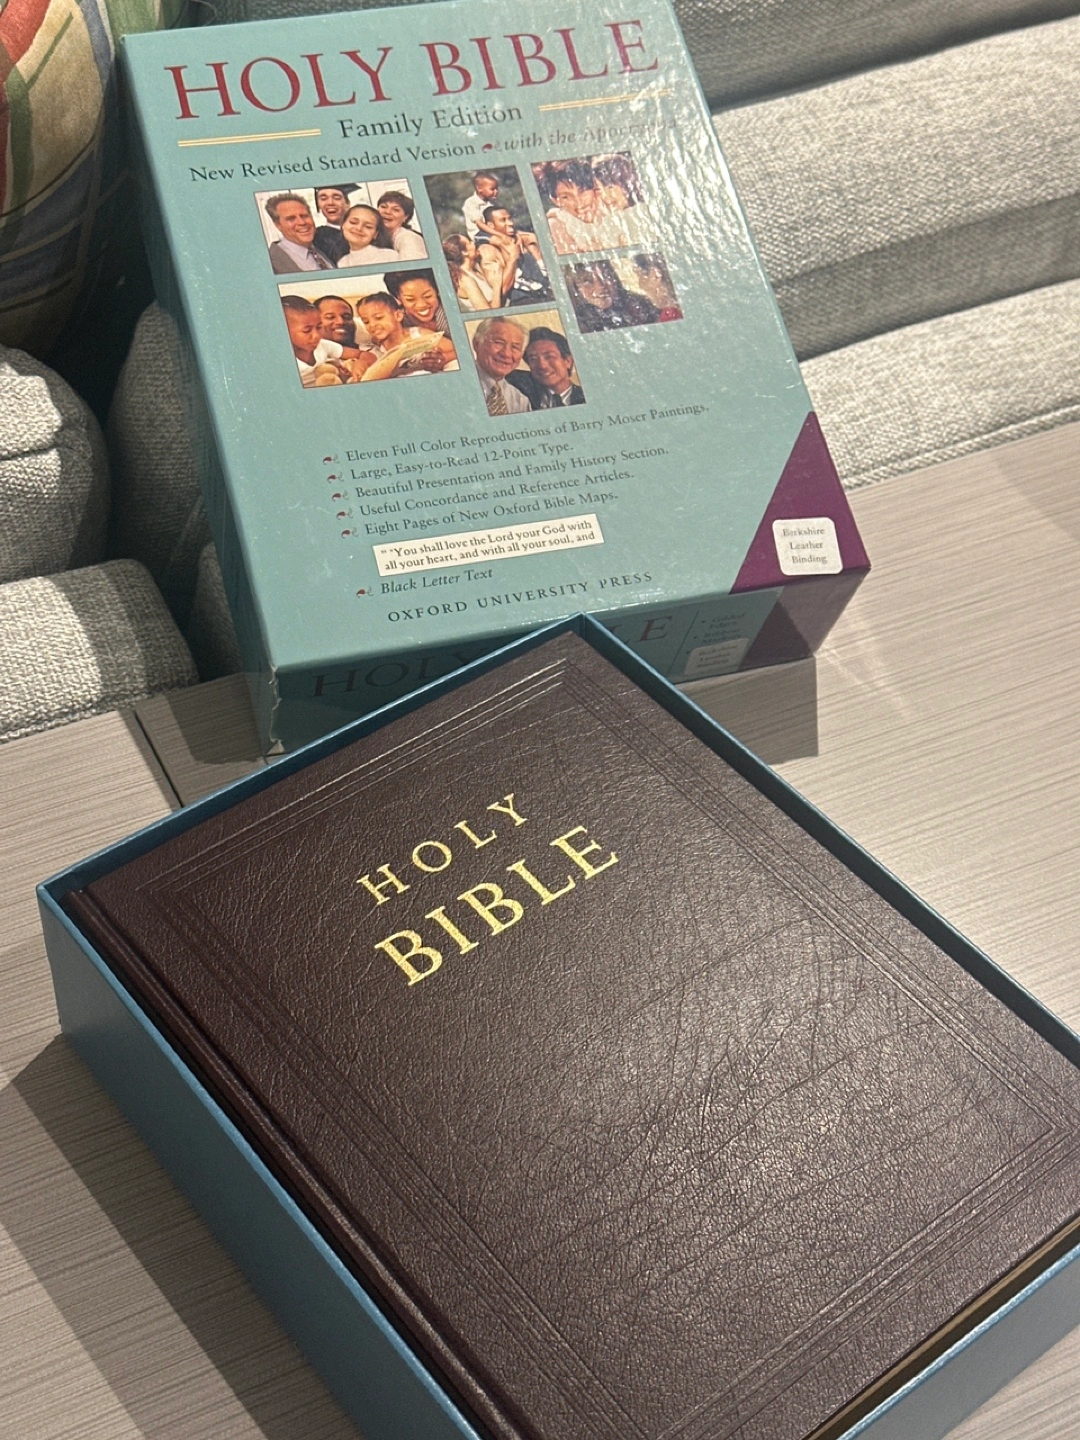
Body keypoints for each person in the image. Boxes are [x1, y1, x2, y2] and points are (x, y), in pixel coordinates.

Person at [534, 160, 633, 255]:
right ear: (556, 201)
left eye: (582, 192)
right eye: (566, 197)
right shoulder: (555, 226)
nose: (579, 204)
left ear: (594, 188)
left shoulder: (613, 208)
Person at [282, 296, 374, 386]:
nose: (317, 335)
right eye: (307, 330)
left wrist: (362, 364)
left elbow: (365, 355)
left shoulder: (323, 346)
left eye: (318, 327)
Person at [355, 292, 448, 379]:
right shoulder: (374, 348)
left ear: (398, 316)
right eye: (366, 322)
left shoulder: (419, 335)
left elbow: (453, 350)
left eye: (378, 318)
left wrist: (440, 360)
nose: (372, 325)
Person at [477, 206, 551, 305]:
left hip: (545, 293)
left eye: (510, 218)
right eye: (503, 220)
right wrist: (512, 257)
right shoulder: (488, 250)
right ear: (490, 225)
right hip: (523, 300)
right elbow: (501, 290)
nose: (510, 223)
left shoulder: (520, 237)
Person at [383, 270, 458, 368]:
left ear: (437, 291)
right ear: (399, 298)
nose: (421, 305)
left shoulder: (450, 313)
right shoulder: (399, 319)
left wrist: (445, 357)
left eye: (428, 296)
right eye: (410, 299)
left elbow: (466, 347)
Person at [565, 259, 661, 332]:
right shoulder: (574, 322)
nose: (600, 286)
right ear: (576, 289)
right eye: (587, 282)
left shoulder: (642, 306)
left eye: (605, 276)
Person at [507, 326, 585, 408]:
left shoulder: (586, 396)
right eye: (533, 359)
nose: (542, 365)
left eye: (549, 357)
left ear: (568, 361)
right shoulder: (521, 391)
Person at [471, 317, 532, 414]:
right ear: (477, 344)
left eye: (515, 347)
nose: (506, 354)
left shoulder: (520, 401)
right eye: (499, 343)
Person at [264, 194, 334, 274]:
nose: (302, 222)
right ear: (278, 225)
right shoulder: (271, 263)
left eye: (304, 216)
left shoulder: (322, 248)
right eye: (291, 219)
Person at [442, 233, 498, 310]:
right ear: (465, 252)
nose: (473, 243)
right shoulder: (465, 280)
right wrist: (497, 286)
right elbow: (488, 313)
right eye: (469, 242)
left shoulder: (475, 268)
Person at [376, 190, 427, 260]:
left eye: (396, 210)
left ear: (405, 217)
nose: (387, 212)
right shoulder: (374, 237)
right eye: (383, 207)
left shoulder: (408, 238)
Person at [312, 184, 357, 265]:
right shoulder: (317, 237)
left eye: (337, 198)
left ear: (347, 204)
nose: (330, 203)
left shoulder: (363, 232)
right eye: (323, 199)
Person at [462, 170, 499, 238]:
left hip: (491, 232)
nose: (496, 192)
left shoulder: (490, 204)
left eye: (496, 189)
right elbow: (480, 224)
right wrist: (501, 235)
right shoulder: (471, 203)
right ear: (479, 189)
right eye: (492, 189)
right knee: (498, 240)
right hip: (478, 234)